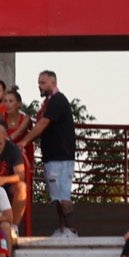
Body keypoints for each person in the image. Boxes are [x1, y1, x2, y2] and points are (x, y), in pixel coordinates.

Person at [24, 70, 78, 236]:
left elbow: (42, 124)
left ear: (53, 83)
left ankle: (71, 228)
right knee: (57, 195)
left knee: (63, 195)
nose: (39, 86)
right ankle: (63, 228)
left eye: (43, 83)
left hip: (60, 156)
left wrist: (24, 141)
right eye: (39, 83)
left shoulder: (57, 100)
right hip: (52, 156)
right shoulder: (49, 102)